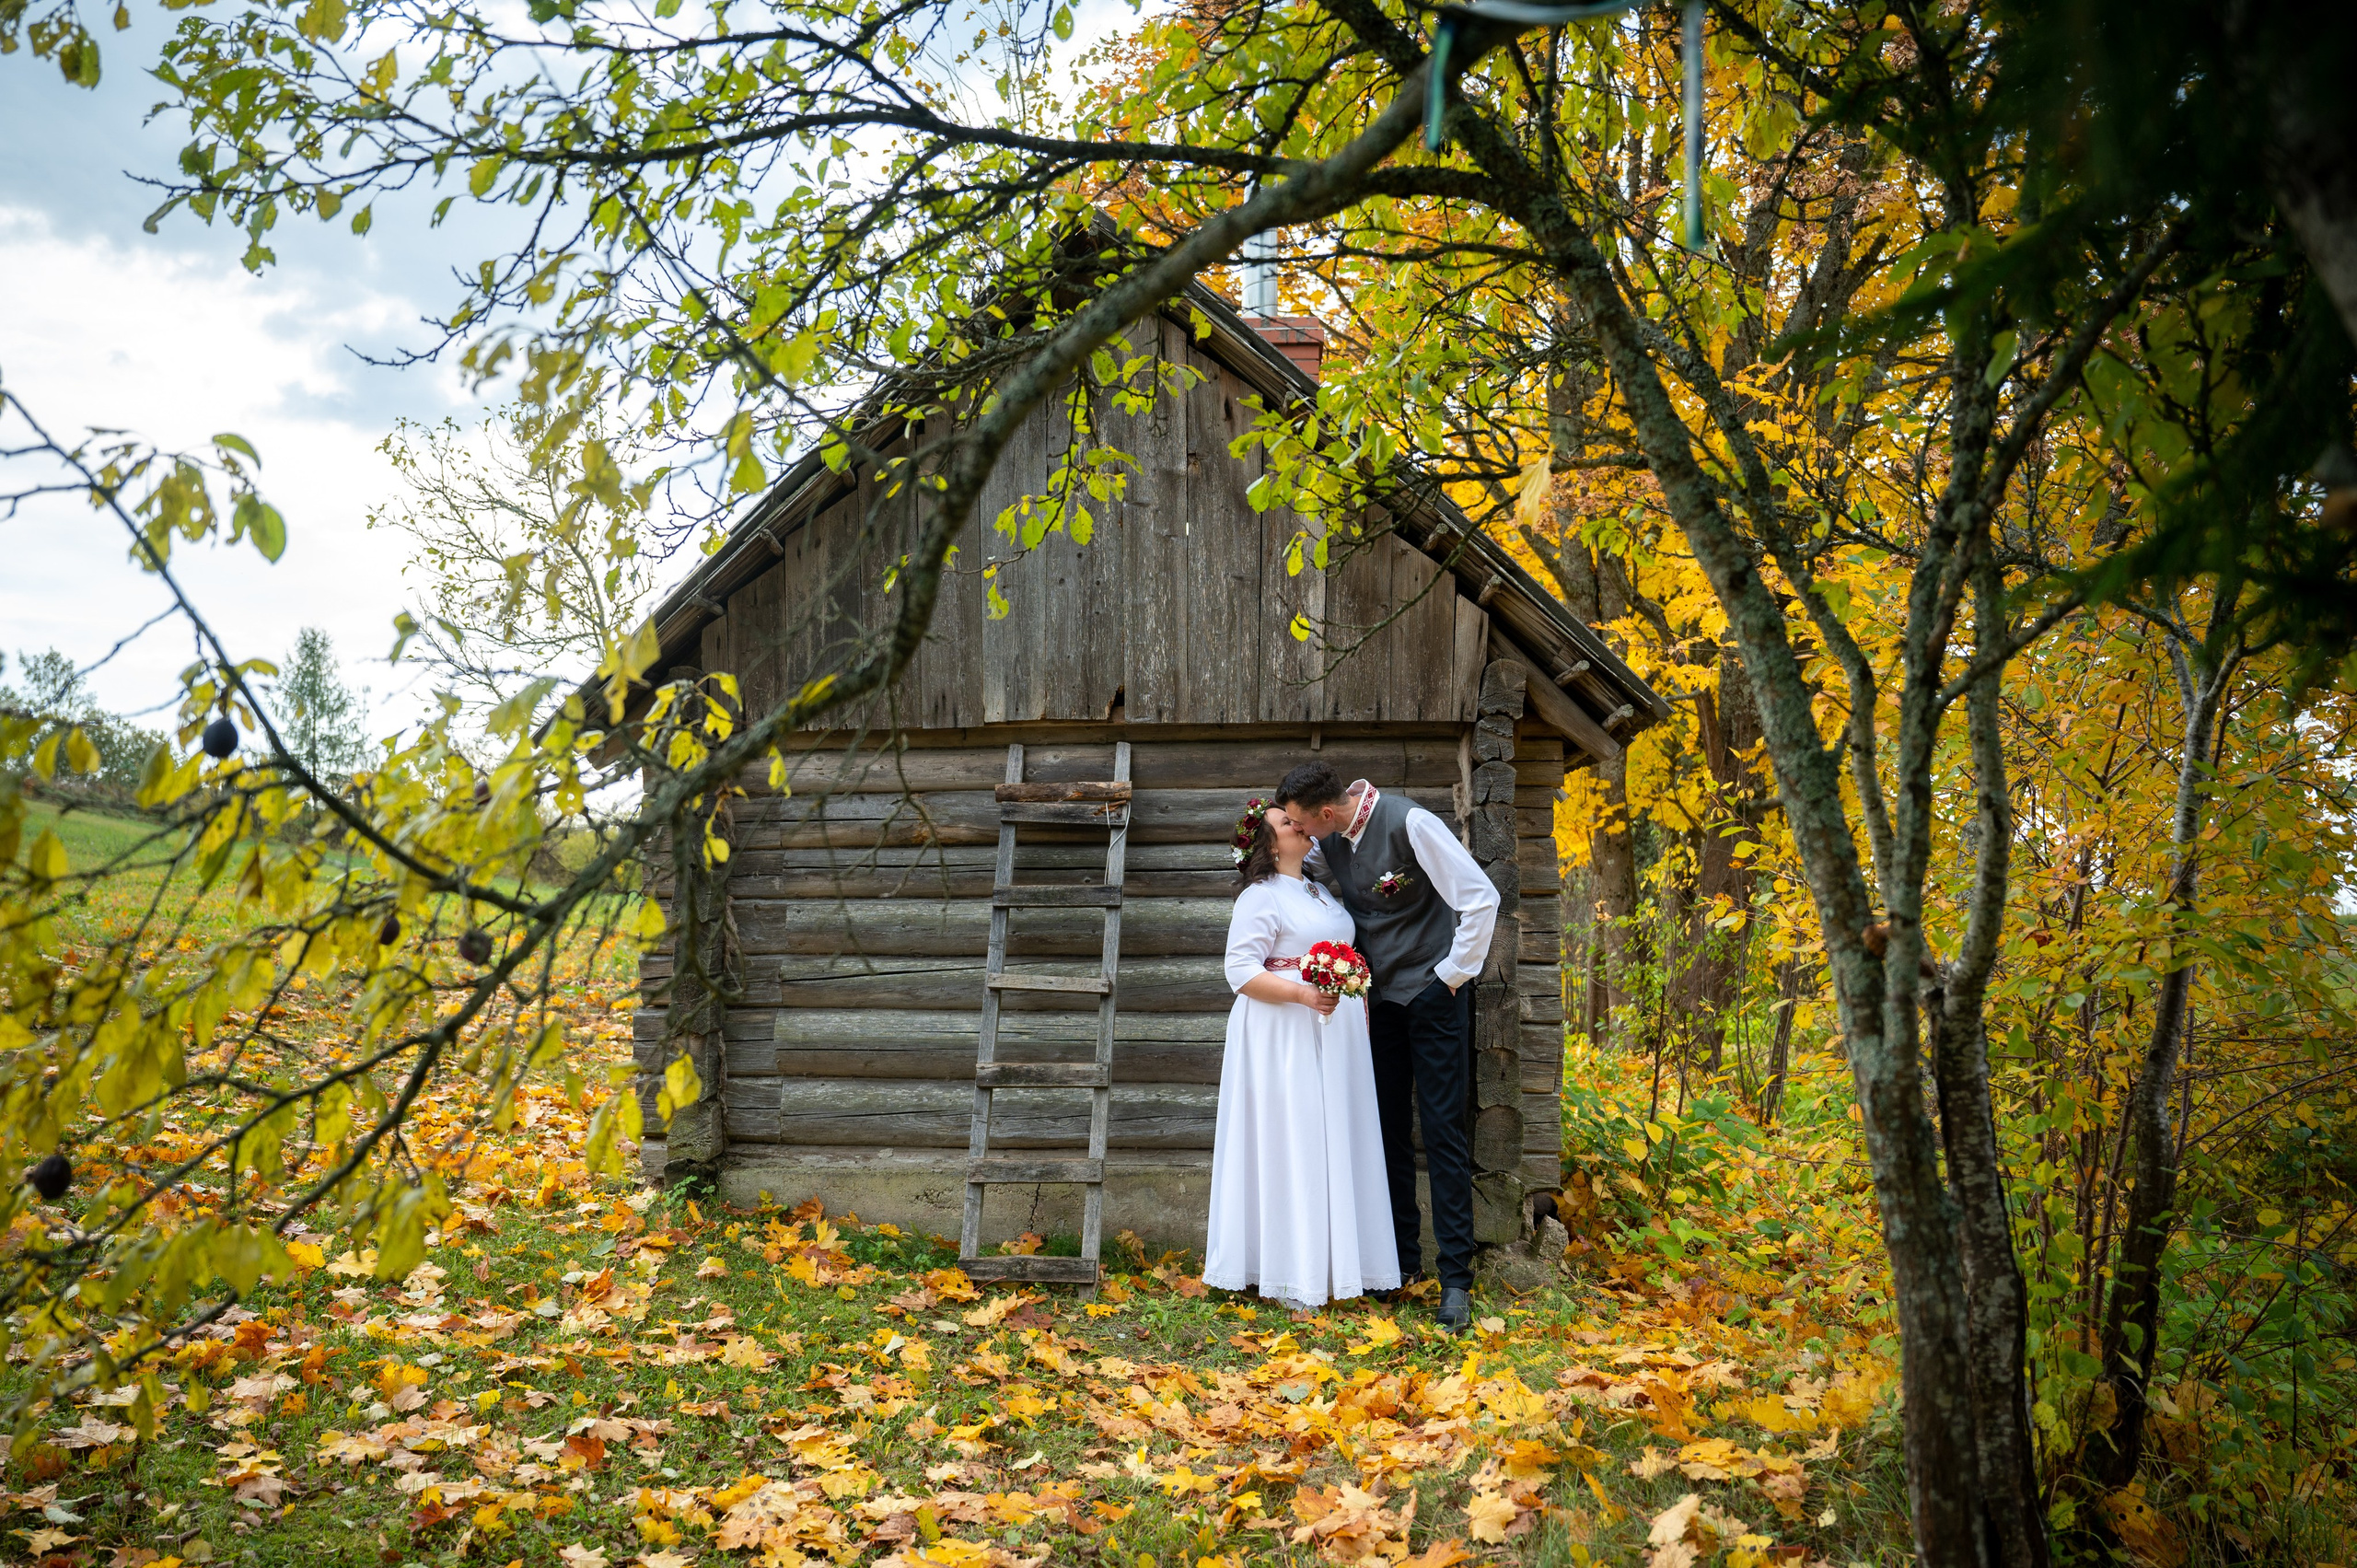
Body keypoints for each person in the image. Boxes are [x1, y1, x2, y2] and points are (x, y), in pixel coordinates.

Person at [1274, 761, 1498, 1332]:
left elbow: (1480, 897)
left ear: (1327, 813)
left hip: (1433, 994)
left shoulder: (1411, 823)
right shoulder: (1328, 844)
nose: (1301, 834)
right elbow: (1294, 874)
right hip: (1376, 1003)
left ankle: (1456, 1281)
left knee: (1443, 1133)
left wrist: (1450, 975)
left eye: (1303, 824)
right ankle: (1401, 1264)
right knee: (1388, 1132)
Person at [1201, 796, 1400, 1312]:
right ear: (1269, 845)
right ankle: (1294, 1274)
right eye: (1285, 822)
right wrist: (1304, 994)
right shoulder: (1260, 896)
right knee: (1296, 1137)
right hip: (1283, 1032)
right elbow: (1240, 971)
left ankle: (1339, 1266)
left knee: (1336, 1134)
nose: (1298, 824)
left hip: (1335, 1031)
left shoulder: (1317, 889)